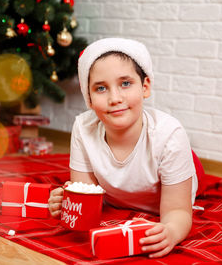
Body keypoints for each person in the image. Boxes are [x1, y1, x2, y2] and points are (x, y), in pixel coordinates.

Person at [48, 38, 198, 258]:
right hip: (126, 185)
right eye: (101, 88)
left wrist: (172, 231)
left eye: (125, 84)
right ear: (88, 98)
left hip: (167, 171)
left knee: (185, 170)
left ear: (145, 87)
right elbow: (84, 192)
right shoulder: (83, 126)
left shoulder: (169, 134)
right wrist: (68, 203)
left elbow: (178, 210)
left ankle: (190, 164)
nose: (115, 98)